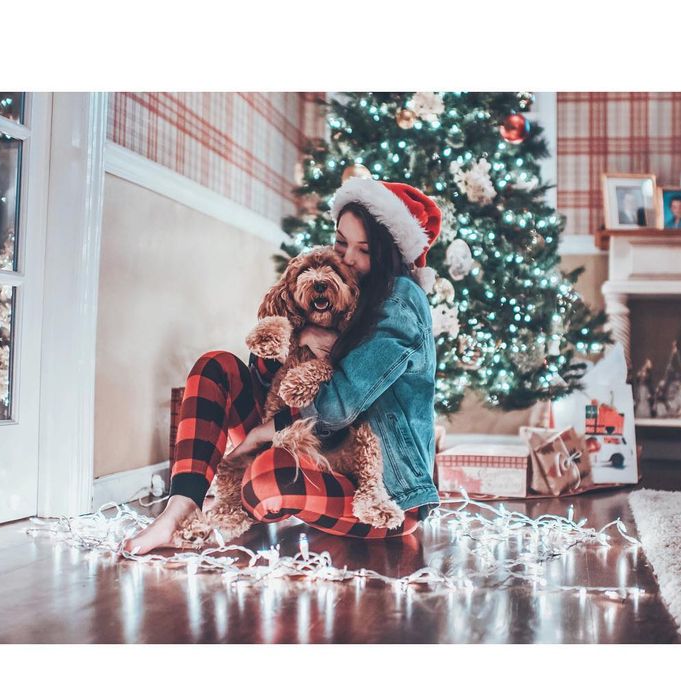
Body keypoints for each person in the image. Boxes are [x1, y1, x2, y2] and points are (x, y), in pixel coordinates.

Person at [123, 178, 443, 554]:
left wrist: (263, 432)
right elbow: (270, 377)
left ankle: (239, 502)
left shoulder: (400, 301)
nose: (348, 259)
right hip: (314, 452)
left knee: (267, 481)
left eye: (364, 250)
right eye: (341, 242)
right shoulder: (343, 286)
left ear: (390, 254)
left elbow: (337, 408)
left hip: (383, 495)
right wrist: (300, 333)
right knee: (215, 367)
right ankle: (177, 511)